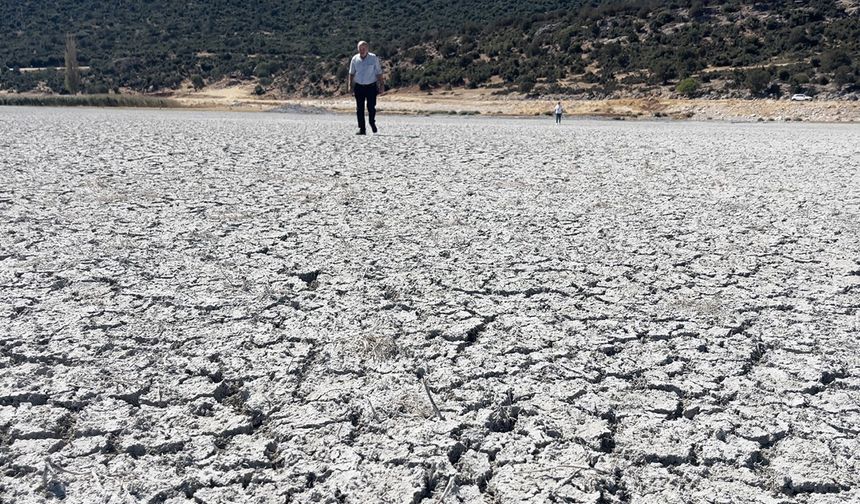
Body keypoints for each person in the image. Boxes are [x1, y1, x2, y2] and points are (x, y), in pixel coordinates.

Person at [348, 41, 384, 135]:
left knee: (371, 107)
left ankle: (372, 122)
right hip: (359, 86)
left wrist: (381, 85)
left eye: (363, 48)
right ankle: (362, 129)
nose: (361, 50)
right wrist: (350, 86)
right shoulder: (355, 59)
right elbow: (351, 73)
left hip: (371, 87)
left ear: (367, 49)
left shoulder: (373, 58)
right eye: (360, 49)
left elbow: (379, 72)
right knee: (359, 109)